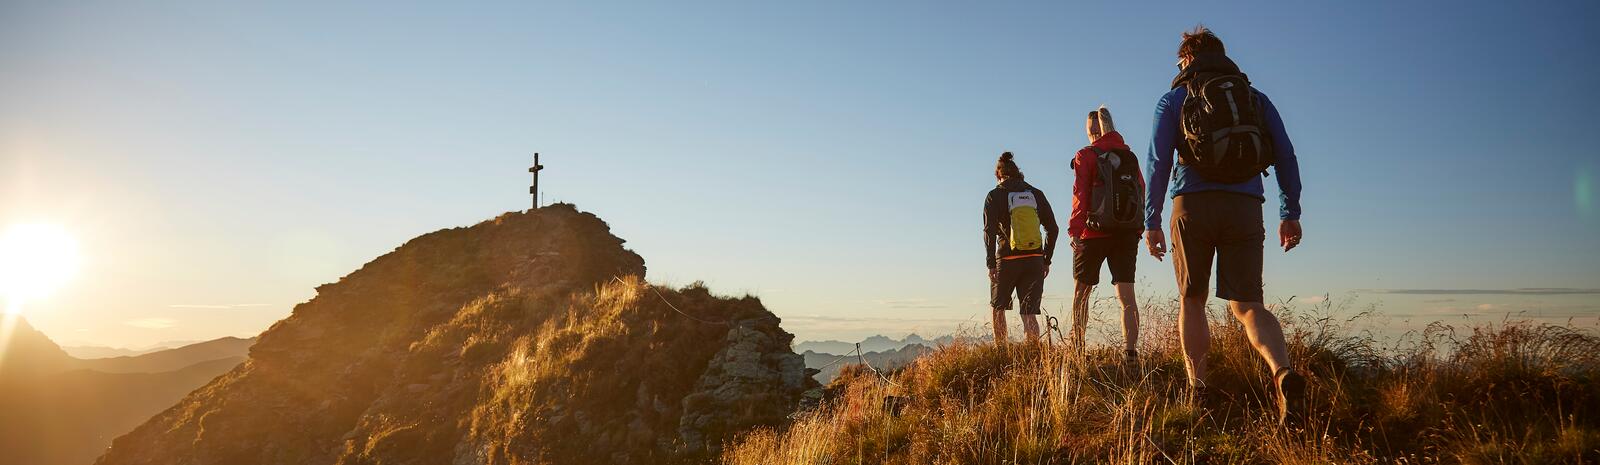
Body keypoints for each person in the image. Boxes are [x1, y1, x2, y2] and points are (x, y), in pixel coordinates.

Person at [1143, 26, 1307, 427]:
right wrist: (1291, 211)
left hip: (1193, 206)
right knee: (1249, 306)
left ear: (1186, 59)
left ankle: (1199, 390)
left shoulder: (1175, 99)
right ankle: (1282, 372)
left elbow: (1158, 163)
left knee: (1193, 299)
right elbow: (1285, 155)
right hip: (1246, 206)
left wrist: (1151, 221)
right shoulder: (1254, 99)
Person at [1068, 106, 1145, 361]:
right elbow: (1140, 191)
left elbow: (1080, 195)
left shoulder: (1086, 155)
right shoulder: (1127, 155)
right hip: (1126, 233)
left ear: (1091, 130)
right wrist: (1137, 228)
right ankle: (1131, 353)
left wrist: (1075, 231)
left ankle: (1077, 350)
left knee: (1081, 294)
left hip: (1093, 233)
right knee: (1127, 297)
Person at [984, 152, 1061, 343]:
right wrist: (1045, 259)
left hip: (1007, 260)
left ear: (998, 175)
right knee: (1029, 314)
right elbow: (1053, 228)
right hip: (1034, 260)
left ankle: (1001, 354)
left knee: (998, 308)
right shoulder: (1035, 194)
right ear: (1019, 173)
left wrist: (990, 263)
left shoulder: (994, 195)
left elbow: (989, 231)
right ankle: (1033, 356)